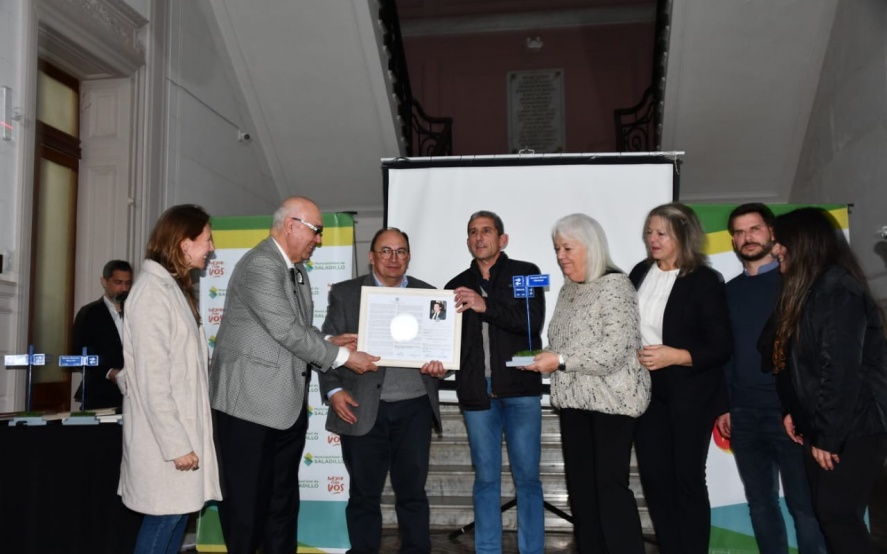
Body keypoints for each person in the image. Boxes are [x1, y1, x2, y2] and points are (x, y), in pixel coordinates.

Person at [209, 196, 380, 554]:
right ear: (291, 225)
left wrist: (329, 341)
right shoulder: (261, 264)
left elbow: (295, 330)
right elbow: (286, 330)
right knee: (247, 507)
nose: (319, 239)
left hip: (284, 407)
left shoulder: (295, 270)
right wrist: (345, 358)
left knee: (281, 503)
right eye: (315, 231)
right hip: (248, 407)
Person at [524, 213, 650, 553]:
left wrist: (560, 360)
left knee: (610, 491)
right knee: (581, 492)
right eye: (557, 249)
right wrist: (542, 356)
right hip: (574, 405)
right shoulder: (568, 289)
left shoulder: (616, 285)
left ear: (590, 247)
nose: (560, 256)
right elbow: (563, 341)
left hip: (612, 405)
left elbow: (614, 350)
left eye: (568, 248)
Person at [320, 227, 446, 553]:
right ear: (371, 256)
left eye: (400, 251)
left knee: (412, 493)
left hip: (415, 408)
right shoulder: (346, 293)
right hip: (361, 407)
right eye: (386, 251)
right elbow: (325, 347)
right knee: (364, 495)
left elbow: (442, 351)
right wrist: (334, 391)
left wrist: (442, 367)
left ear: (409, 257)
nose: (393, 258)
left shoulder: (429, 295)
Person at [769, 207, 887, 554]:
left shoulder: (837, 291)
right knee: (831, 516)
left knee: (838, 517)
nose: (775, 250)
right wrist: (796, 412)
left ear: (804, 243)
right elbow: (802, 365)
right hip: (830, 425)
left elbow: (840, 369)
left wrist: (828, 436)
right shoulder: (814, 289)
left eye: (780, 242)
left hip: (853, 427)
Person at [714, 204, 826, 554]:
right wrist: (726, 405)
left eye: (754, 229)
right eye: (739, 232)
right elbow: (725, 355)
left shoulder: (795, 283)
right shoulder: (728, 292)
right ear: (733, 240)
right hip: (743, 414)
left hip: (791, 414)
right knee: (760, 504)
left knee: (804, 505)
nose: (747, 237)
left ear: (772, 233)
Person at [629, 202, 733, 554]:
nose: (653, 239)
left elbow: (721, 346)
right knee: (655, 480)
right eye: (649, 232)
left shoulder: (704, 280)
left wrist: (674, 355)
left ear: (684, 236)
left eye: (662, 233)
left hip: (691, 393)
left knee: (686, 479)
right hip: (646, 392)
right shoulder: (640, 272)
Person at [117, 204, 221, 554]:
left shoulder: (170, 289)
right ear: (184, 243)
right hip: (165, 440)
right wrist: (176, 445)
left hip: (179, 433)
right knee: (165, 519)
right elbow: (153, 380)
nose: (211, 248)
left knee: (176, 516)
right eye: (207, 239)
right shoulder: (152, 293)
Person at [446, 210, 545, 554]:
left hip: (521, 392)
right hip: (478, 395)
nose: (479, 237)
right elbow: (449, 342)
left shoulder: (527, 273)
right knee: (485, 480)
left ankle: (532, 550)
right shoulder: (455, 285)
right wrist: (436, 361)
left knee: (528, 480)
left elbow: (531, 324)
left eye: (486, 230)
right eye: (473, 231)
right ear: (468, 241)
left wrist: (484, 305)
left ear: (502, 239)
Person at [72, 259, 132, 410]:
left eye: (128, 283)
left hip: (133, 396)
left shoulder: (137, 312)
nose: (124, 288)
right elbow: (79, 354)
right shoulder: (89, 313)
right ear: (104, 282)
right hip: (99, 395)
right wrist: (110, 372)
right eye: (118, 282)